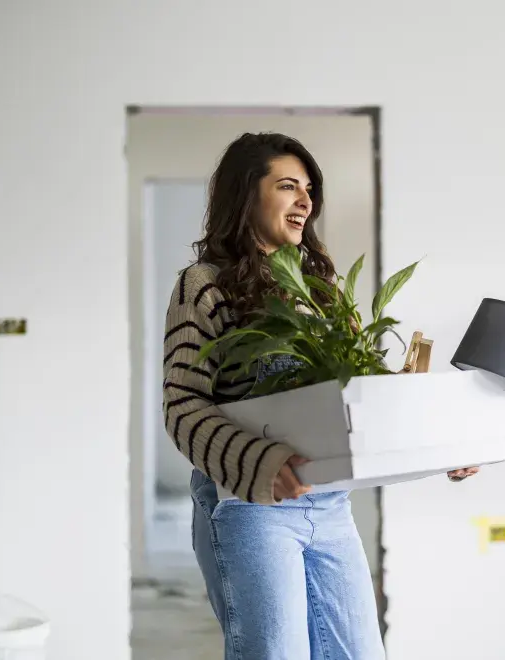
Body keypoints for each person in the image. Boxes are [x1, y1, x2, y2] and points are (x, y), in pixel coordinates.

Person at [162, 132, 478, 659]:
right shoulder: (204, 283)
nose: (306, 201)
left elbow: (359, 398)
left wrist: (447, 441)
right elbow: (182, 407)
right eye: (288, 186)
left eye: (309, 188)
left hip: (329, 506)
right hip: (251, 505)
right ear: (245, 195)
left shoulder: (323, 290)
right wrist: (259, 460)